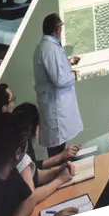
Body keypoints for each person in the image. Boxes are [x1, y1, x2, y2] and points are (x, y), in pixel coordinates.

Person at [33, 12, 82, 152]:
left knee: (59, 145)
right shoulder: (50, 49)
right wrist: (73, 76)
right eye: (61, 27)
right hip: (55, 107)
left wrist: (69, 62)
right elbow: (59, 79)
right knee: (57, 150)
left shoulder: (47, 47)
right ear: (57, 29)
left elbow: (54, 67)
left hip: (54, 104)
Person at [10, 101, 78, 189]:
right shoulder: (21, 154)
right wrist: (60, 180)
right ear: (35, 128)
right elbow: (30, 195)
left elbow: (35, 174)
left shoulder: (25, 144)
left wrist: (59, 170)